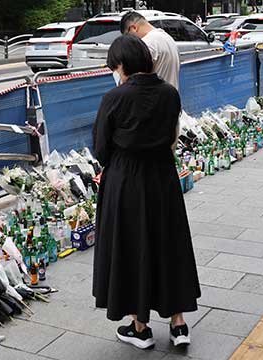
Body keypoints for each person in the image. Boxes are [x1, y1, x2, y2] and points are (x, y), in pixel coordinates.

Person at [92, 35, 201, 350]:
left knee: (132, 246)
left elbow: (101, 149)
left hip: (126, 181)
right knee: (169, 243)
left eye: (115, 66)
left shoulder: (114, 97)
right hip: (163, 178)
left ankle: (140, 327)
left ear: (123, 65)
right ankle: (178, 324)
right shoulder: (169, 94)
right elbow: (170, 135)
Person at [120, 11, 180, 90]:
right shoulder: (168, 38)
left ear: (133, 28)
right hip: (172, 98)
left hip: (154, 99)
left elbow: (133, 81)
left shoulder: (146, 44)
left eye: (128, 35)